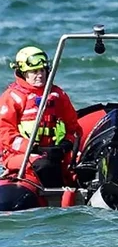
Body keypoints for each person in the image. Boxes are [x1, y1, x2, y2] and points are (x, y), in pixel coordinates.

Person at [0, 46, 82, 187]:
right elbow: (5, 133)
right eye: (34, 71)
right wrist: (35, 149)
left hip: (55, 151)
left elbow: (74, 128)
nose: (40, 75)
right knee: (44, 165)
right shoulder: (12, 97)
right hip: (20, 154)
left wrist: (64, 146)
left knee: (84, 165)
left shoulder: (58, 95)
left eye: (42, 71)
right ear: (23, 73)